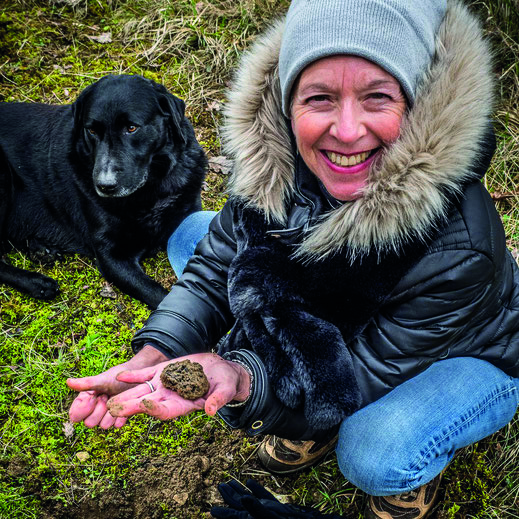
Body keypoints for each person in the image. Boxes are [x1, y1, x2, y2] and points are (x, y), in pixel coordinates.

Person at [66, 0, 519, 517]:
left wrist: (243, 377)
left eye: (378, 98)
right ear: (285, 107)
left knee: (373, 452)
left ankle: (401, 472)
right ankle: (308, 419)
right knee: (191, 236)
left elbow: (357, 372)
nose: (347, 132)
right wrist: (159, 349)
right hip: (332, 311)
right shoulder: (276, 163)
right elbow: (217, 263)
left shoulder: (459, 244)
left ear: (419, 105)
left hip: (468, 351)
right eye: (319, 98)